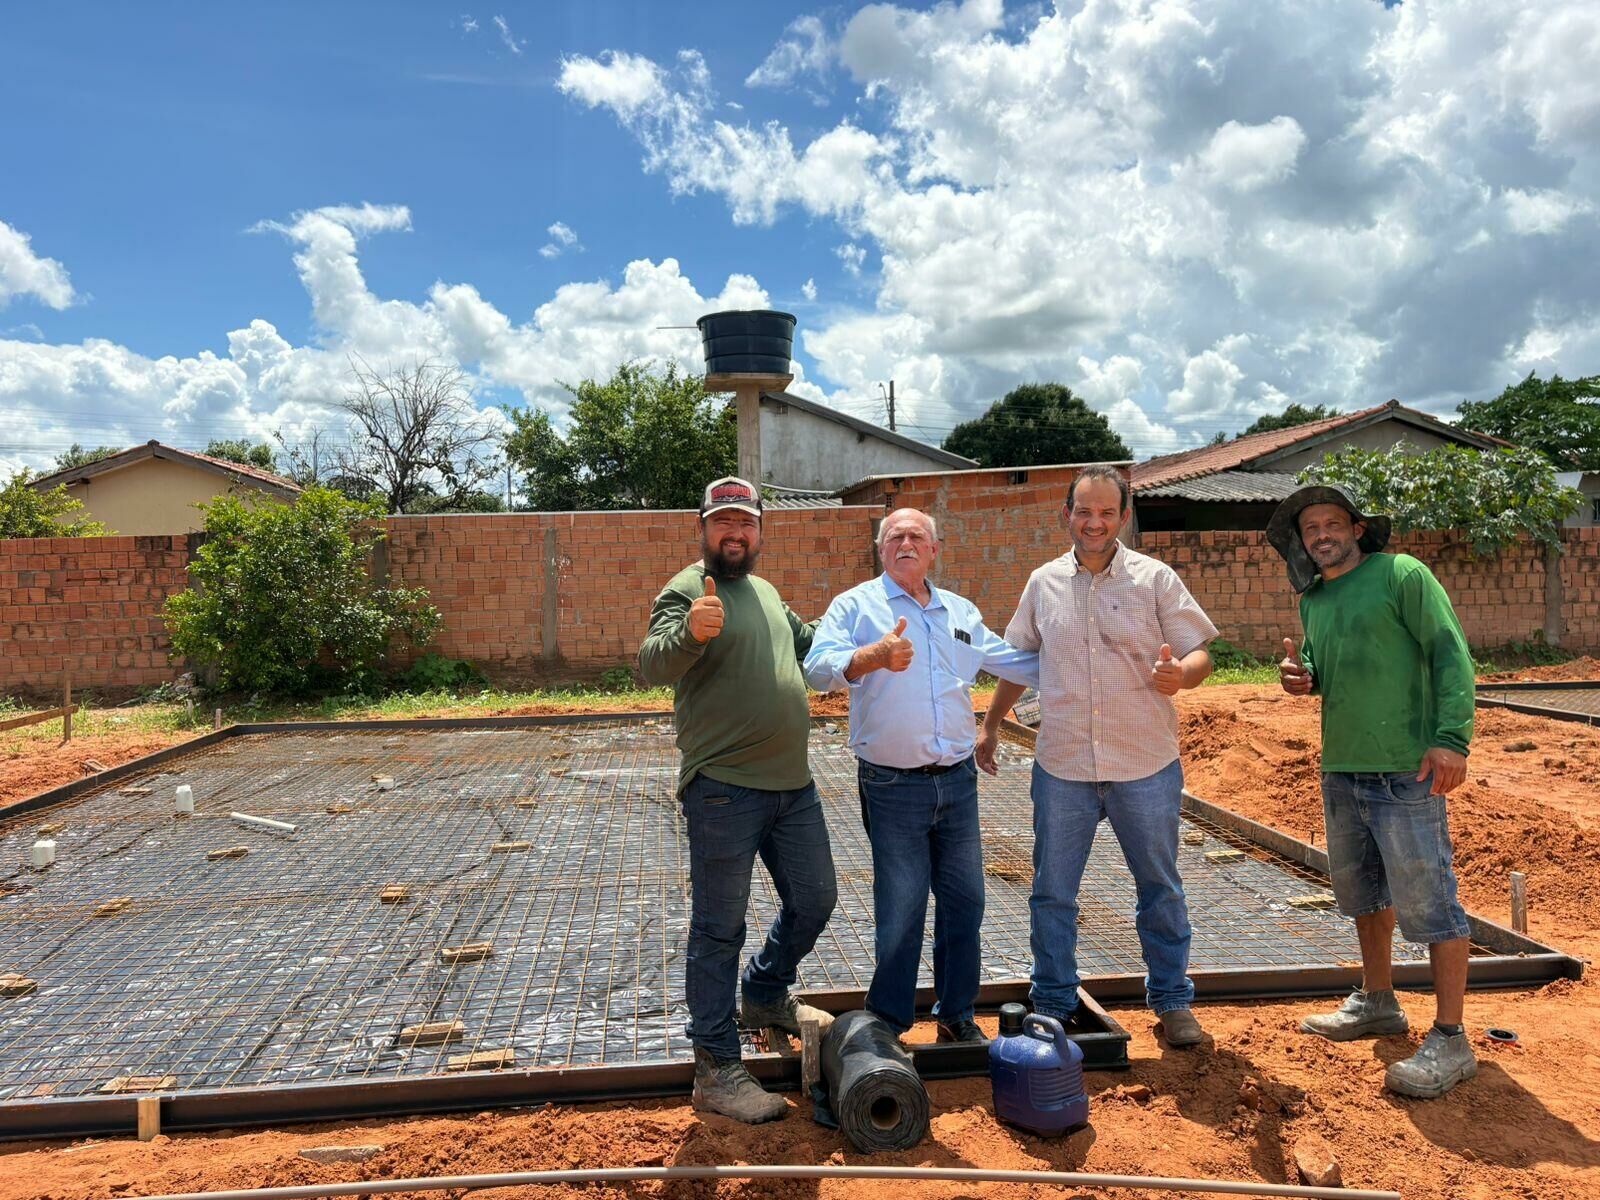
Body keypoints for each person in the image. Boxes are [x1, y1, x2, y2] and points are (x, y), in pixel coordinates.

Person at [978, 465, 1217, 1047]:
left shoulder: (1155, 580)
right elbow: (1017, 660)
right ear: (1067, 514)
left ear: (1123, 517)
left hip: (1145, 764)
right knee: (1053, 890)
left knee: (1159, 886)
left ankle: (1171, 1000)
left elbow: (1201, 652)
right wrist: (990, 724)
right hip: (1064, 767)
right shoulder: (1043, 583)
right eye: (1084, 511)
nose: (1094, 522)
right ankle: (1055, 1000)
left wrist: (1178, 675)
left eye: (1107, 512)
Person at [1268, 483, 1477, 1099]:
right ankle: (1379, 1000)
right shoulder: (1315, 597)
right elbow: (1318, 669)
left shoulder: (1401, 575)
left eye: (1334, 523)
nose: (1322, 535)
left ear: (1358, 528)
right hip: (1344, 766)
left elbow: (1450, 653)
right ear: (1302, 542)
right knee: (1363, 894)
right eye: (1311, 529)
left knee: (1431, 901)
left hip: (1406, 769)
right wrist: (1298, 676)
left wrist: (1451, 739)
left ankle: (1451, 1036)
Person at [639, 476, 837, 1124]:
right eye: (723, 521)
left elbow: (811, 647)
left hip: (792, 786)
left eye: (745, 522)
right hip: (724, 788)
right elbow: (651, 663)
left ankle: (766, 991)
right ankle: (716, 1069)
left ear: (760, 531)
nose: (735, 532)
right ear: (703, 529)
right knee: (718, 929)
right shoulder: (686, 590)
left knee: (815, 898)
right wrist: (691, 633)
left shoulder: (768, 593)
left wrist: (865, 651)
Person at [803, 508, 1040, 1043]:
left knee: (965, 901)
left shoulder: (959, 611)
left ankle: (956, 1016)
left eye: (917, 536)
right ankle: (887, 1023)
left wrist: (1087, 664)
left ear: (934, 550)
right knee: (903, 905)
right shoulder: (857, 606)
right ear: (881, 551)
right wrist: (872, 656)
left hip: (957, 781)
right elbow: (816, 669)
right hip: (892, 785)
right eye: (895, 537)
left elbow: (1012, 663)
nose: (906, 543)